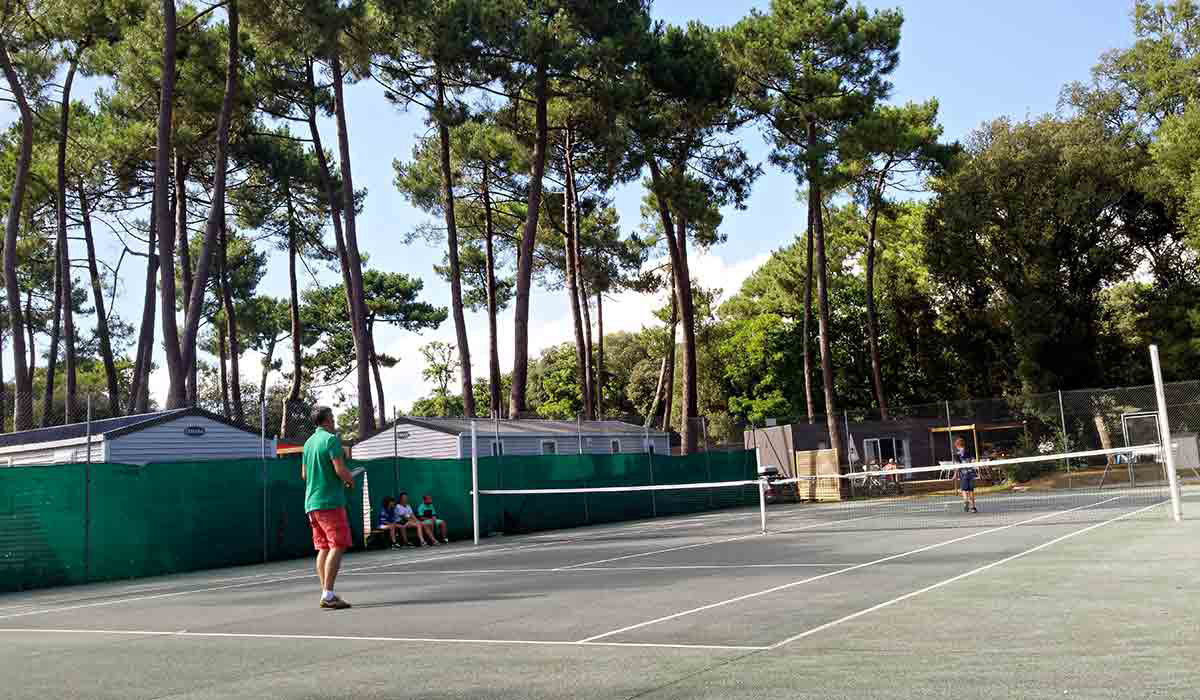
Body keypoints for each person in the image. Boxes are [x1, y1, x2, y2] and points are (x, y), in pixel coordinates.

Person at [302, 406, 355, 609]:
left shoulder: (308, 443)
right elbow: (340, 470)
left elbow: (304, 476)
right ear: (326, 420)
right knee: (337, 545)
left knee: (323, 547)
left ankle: (327, 592)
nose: (334, 420)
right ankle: (329, 595)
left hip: (311, 504)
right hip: (329, 502)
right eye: (332, 417)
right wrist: (349, 480)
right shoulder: (331, 440)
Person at [953, 436, 978, 513]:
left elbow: (957, 466)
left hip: (963, 474)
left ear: (957, 446)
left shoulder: (956, 454)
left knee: (964, 490)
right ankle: (973, 507)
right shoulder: (969, 451)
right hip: (971, 473)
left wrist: (955, 475)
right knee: (971, 490)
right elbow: (974, 461)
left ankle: (966, 500)